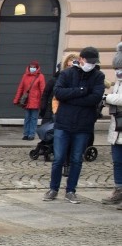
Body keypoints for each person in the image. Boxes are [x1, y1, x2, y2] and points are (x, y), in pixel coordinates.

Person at [44, 46, 106, 204]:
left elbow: (95, 98)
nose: (91, 64)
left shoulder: (98, 76)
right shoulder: (66, 73)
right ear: (82, 59)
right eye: (89, 61)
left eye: (94, 62)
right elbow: (58, 93)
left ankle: (71, 190)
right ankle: (53, 189)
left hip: (83, 125)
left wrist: (71, 98)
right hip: (63, 123)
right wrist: (81, 90)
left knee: (77, 159)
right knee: (58, 158)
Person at [103, 42, 122, 208]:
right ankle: (118, 189)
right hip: (116, 128)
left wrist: (106, 98)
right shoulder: (117, 83)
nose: (118, 71)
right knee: (117, 161)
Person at [13, 60, 46, 141]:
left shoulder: (40, 76)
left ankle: (31, 134)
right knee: (27, 118)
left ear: (37, 68)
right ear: (29, 67)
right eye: (31, 67)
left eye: (34, 67)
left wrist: (43, 102)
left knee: (33, 119)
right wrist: (16, 99)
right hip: (27, 101)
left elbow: (43, 90)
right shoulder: (25, 76)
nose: (32, 68)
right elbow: (20, 88)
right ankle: (26, 134)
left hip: (36, 101)